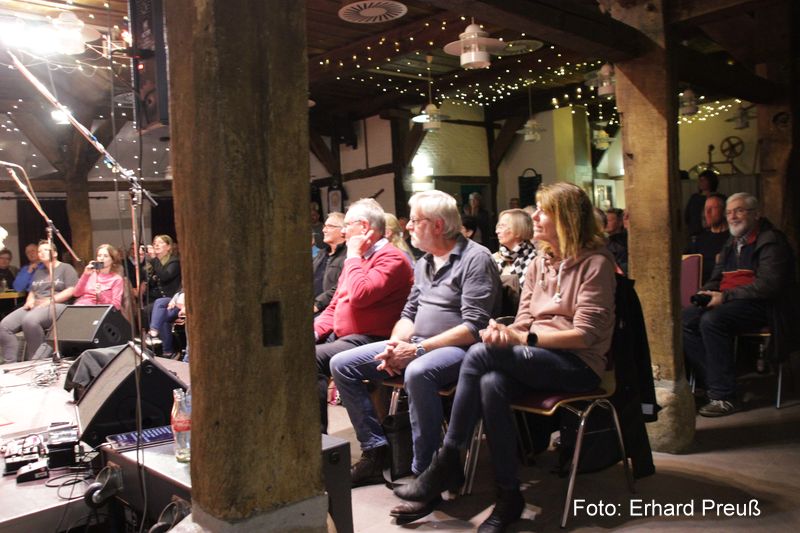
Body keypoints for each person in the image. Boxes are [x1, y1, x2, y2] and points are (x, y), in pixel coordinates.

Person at [392, 182, 616, 531]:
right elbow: (524, 319)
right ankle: (509, 495)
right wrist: (504, 330)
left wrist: (521, 337)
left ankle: (450, 457)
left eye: (543, 211)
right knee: (491, 383)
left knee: (479, 355)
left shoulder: (596, 264)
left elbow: (585, 335)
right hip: (535, 355)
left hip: (578, 364)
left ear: (567, 218)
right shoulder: (540, 262)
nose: (535, 217)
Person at [330, 190, 500, 488]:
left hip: (459, 349)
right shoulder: (424, 262)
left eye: (415, 221)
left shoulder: (476, 258)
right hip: (417, 343)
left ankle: (426, 472)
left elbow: (474, 327)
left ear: (437, 225)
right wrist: (396, 344)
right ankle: (375, 451)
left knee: (419, 372)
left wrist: (417, 349)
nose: (407, 226)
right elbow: (408, 314)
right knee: (342, 364)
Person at [683, 192, 794, 417]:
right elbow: (717, 277)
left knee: (712, 321)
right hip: (731, 302)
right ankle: (713, 384)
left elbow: (768, 286)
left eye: (739, 211)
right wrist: (707, 292)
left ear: (756, 214)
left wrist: (724, 297)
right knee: (685, 319)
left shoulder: (771, 241)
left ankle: (725, 396)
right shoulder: (731, 243)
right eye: (729, 212)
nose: (733, 217)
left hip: (762, 306)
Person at [315, 199, 414, 433]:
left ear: (364, 227)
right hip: (345, 336)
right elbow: (335, 305)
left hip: (372, 338)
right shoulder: (360, 259)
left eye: (347, 225)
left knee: (312, 358)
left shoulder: (391, 258)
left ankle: (325, 439)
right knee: (295, 349)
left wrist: (352, 255)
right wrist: (316, 331)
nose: (343, 231)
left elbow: (361, 295)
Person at [0, 241, 79, 362]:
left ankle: (35, 361)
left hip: (58, 305)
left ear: (55, 253)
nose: (41, 253)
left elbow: (71, 290)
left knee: (30, 321)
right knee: (4, 326)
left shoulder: (66, 268)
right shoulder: (39, 272)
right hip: (36, 305)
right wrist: (29, 300)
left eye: (45, 250)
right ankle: (10, 363)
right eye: (39, 251)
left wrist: (50, 300)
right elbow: (33, 290)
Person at [684, 193, 729, 283]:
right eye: (705, 208)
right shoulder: (698, 240)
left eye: (713, 208)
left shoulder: (732, 239)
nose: (707, 213)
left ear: (724, 211)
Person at [313, 212, 347, 314]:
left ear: (343, 231)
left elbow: (343, 286)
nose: (324, 230)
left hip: (332, 311)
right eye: (324, 226)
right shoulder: (321, 254)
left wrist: (318, 304)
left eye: (330, 226)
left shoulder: (349, 255)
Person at [73, 244, 125, 310]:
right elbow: (76, 293)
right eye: (99, 255)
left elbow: (116, 306)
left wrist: (100, 296)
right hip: (82, 306)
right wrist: (85, 275)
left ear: (112, 260)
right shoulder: (91, 273)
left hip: (101, 309)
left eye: (105, 256)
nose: (101, 258)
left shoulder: (116, 279)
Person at [144, 235, 181, 304]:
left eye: (160, 242)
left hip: (166, 299)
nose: (156, 245)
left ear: (168, 247)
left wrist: (154, 258)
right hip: (151, 298)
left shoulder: (174, 261)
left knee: (147, 309)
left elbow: (165, 276)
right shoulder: (152, 262)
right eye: (154, 243)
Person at [685, 170, 719, 237]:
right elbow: (687, 215)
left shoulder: (718, 198)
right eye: (700, 180)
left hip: (713, 233)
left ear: (711, 181)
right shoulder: (694, 198)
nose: (700, 182)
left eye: (703, 180)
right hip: (695, 233)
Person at [605, 207, 628, 275]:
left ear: (620, 222)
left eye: (609, 221)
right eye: (605, 220)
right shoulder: (607, 241)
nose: (605, 223)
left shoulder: (622, 243)